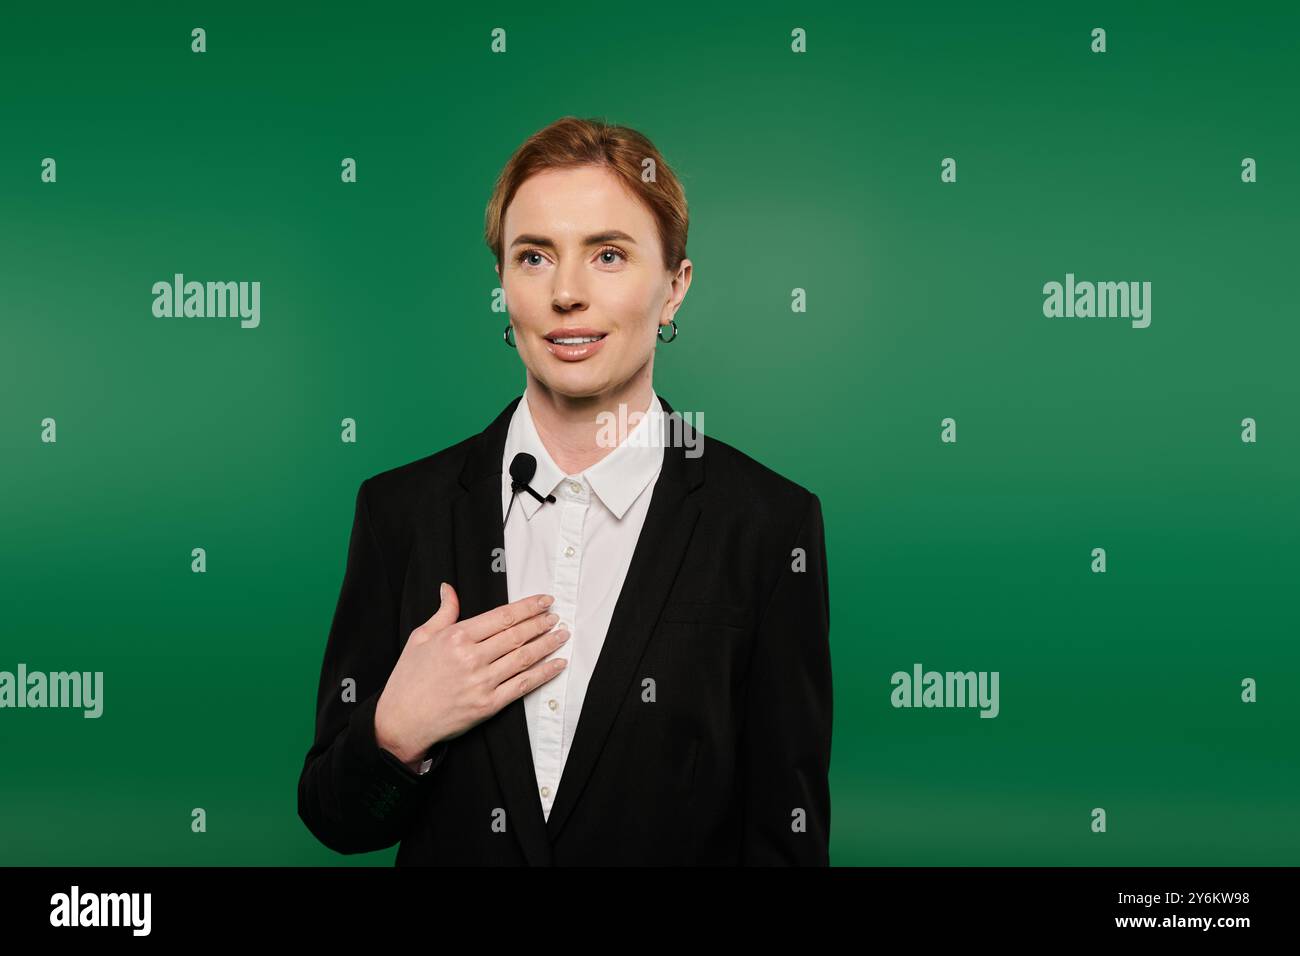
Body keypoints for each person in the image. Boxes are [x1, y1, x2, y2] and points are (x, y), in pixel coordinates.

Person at [297, 116, 832, 865]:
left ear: (674, 288)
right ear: (504, 285)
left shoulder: (770, 527)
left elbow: (786, 837)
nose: (567, 293)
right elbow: (338, 818)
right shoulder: (399, 512)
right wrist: (397, 730)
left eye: (608, 254)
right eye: (535, 256)